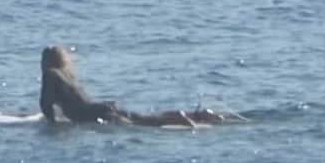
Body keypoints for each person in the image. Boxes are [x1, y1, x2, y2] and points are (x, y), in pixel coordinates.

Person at [39, 46, 240, 128]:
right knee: (145, 118)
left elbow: (46, 103)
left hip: (92, 115)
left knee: (147, 123)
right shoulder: (67, 74)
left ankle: (183, 118)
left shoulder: (50, 74)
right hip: (100, 107)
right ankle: (201, 114)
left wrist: (51, 124)